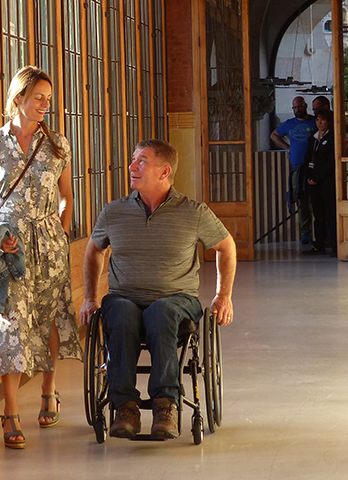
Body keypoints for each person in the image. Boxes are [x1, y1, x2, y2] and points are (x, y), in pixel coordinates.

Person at [79, 139, 237, 440]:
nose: (132, 166)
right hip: (125, 298)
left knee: (161, 312)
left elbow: (225, 246)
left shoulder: (193, 212)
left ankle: (166, 404)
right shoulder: (114, 212)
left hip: (176, 301)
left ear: (164, 171)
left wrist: (223, 295)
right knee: (121, 312)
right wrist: (89, 297)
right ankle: (124, 406)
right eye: (133, 159)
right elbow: (93, 252)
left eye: (141, 161)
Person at [0, 66, 82, 449]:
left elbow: (67, 195)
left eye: (48, 99)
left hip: (50, 242)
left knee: (50, 315)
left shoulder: (58, 145)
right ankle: (11, 412)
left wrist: (62, 232)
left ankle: (49, 391)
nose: (44, 105)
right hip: (9, 245)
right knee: (9, 322)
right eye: (38, 97)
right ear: (18, 97)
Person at [271, 96, 317, 246]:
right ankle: (306, 232)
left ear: (305, 106)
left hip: (314, 165)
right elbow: (274, 135)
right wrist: (287, 147)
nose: (297, 110)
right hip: (296, 166)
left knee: (317, 199)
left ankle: (323, 234)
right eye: (294, 108)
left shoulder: (314, 122)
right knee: (300, 197)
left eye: (299, 107)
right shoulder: (289, 124)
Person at [302, 108, 337, 256]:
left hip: (326, 182)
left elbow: (330, 163)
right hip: (313, 183)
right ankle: (319, 244)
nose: (320, 122)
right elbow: (308, 158)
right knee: (318, 215)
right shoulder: (313, 137)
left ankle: (336, 246)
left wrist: (318, 178)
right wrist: (308, 177)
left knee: (331, 214)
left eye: (323, 119)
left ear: (329, 121)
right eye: (317, 119)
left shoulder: (332, 138)